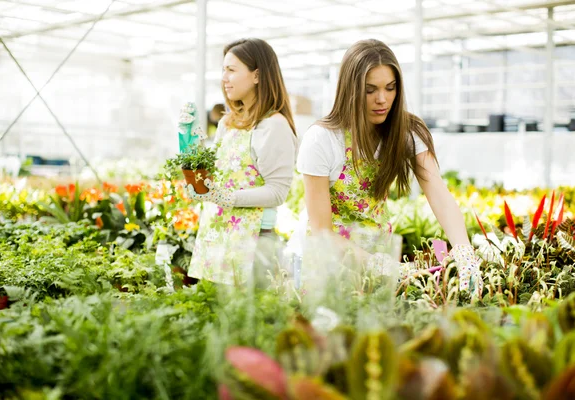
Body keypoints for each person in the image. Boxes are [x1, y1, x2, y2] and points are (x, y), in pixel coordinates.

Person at [291, 39, 480, 296]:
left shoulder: (406, 132)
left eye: (390, 88)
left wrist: (464, 252)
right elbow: (322, 231)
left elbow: (439, 193)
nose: (382, 99)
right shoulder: (322, 139)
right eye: (370, 90)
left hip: (376, 249)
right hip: (327, 259)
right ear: (350, 90)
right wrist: (379, 265)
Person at [183, 38, 297, 286]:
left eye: (231, 70)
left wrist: (229, 198)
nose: (224, 77)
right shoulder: (228, 122)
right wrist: (191, 150)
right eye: (223, 69)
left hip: (252, 243)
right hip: (217, 236)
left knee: (244, 320)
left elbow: (278, 192)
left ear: (257, 76)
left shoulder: (273, 126)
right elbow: (215, 175)